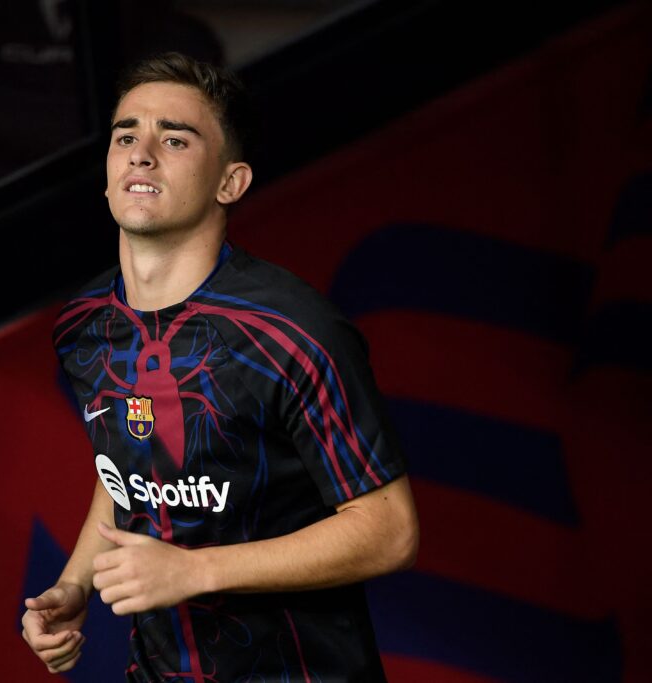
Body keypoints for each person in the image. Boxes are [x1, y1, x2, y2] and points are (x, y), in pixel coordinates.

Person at [22, 52, 419, 682]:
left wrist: (196, 569)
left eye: (174, 138)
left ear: (229, 183)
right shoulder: (83, 327)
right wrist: (73, 586)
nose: (141, 153)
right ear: (105, 174)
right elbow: (128, 460)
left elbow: (390, 531)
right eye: (127, 135)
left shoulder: (294, 331)